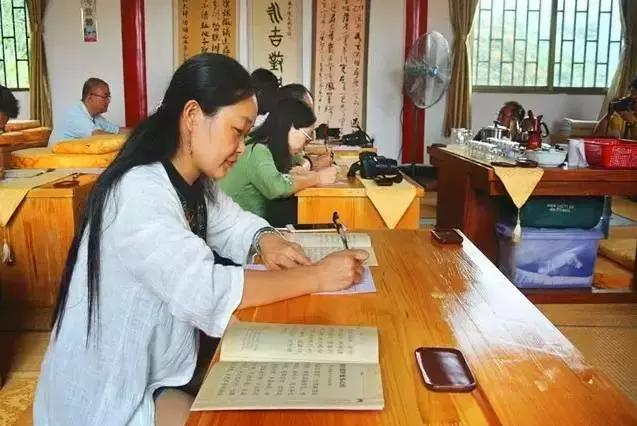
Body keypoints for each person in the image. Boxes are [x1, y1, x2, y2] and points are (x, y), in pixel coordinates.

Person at [34, 54, 365, 426]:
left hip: (154, 373)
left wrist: (266, 239)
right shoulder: (139, 191)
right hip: (107, 399)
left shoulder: (192, 181)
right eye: (236, 132)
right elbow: (204, 288)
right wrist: (317, 276)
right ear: (192, 116)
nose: (241, 147)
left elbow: (233, 222)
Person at [219, 98, 338, 226]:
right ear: (291, 127)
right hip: (234, 231)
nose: (305, 145)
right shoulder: (257, 150)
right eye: (307, 137)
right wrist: (317, 178)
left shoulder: (272, 147)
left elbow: (298, 161)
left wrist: (307, 167)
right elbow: (276, 187)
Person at [48, 77, 130, 146]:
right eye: (105, 97)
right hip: (56, 162)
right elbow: (98, 136)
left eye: (109, 97)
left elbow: (117, 130)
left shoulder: (95, 116)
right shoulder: (75, 114)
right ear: (89, 97)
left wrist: (141, 132)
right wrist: (133, 140)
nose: (108, 101)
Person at [594, 75, 637, 140]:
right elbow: (597, 136)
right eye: (631, 95)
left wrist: (633, 123)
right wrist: (608, 115)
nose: (633, 100)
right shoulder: (622, 113)